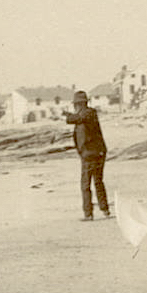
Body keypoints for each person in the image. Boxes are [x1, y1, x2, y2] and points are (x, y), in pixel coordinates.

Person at [64, 90, 111, 221]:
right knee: (97, 182)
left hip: (90, 154)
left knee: (86, 184)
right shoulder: (89, 114)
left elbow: (76, 119)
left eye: (76, 104)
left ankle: (88, 213)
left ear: (79, 104)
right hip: (96, 153)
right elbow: (77, 119)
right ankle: (104, 210)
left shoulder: (88, 113)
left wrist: (66, 115)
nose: (75, 107)